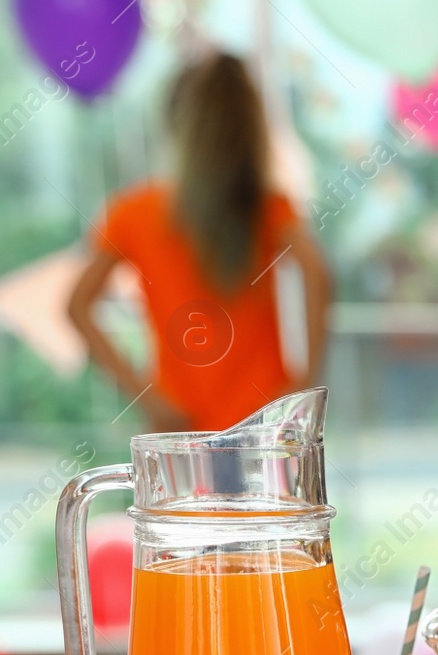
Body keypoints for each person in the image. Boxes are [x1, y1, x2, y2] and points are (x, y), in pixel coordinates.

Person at [67, 53, 331, 432]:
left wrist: (146, 396)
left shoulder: (134, 213)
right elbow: (318, 273)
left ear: (173, 123)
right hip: (262, 426)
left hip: (180, 430)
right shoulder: (266, 207)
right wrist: (305, 384)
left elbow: (77, 306)